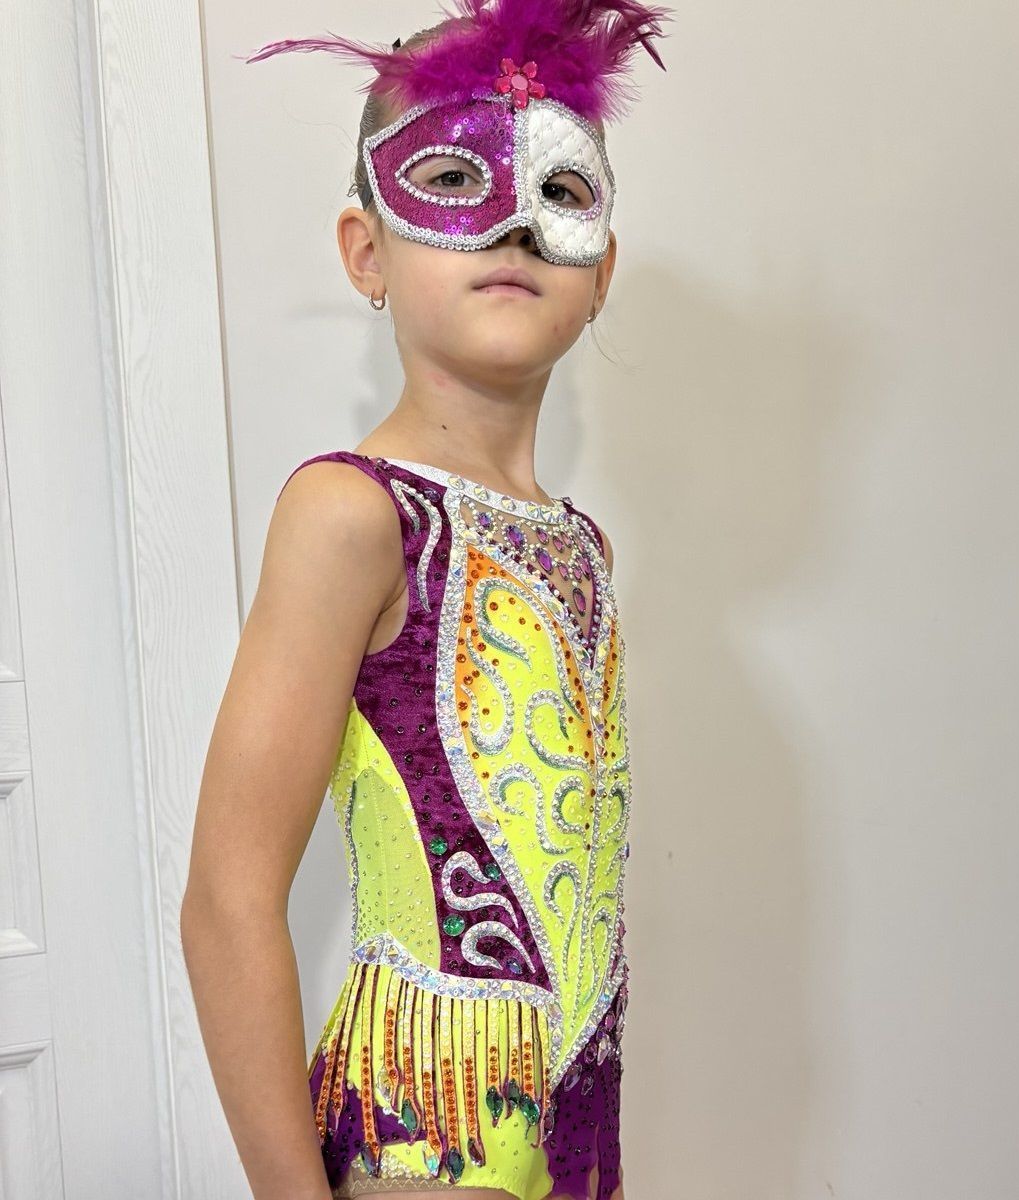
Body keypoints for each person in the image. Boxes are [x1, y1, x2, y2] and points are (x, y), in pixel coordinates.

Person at [180, 3, 673, 1198]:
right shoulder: (353, 516)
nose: (514, 220)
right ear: (367, 252)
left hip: (577, 1140)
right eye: (452, 178)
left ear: (601, 272)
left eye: (560, 190)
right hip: (427, 1137)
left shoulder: (583, 547)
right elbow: (228, 899)